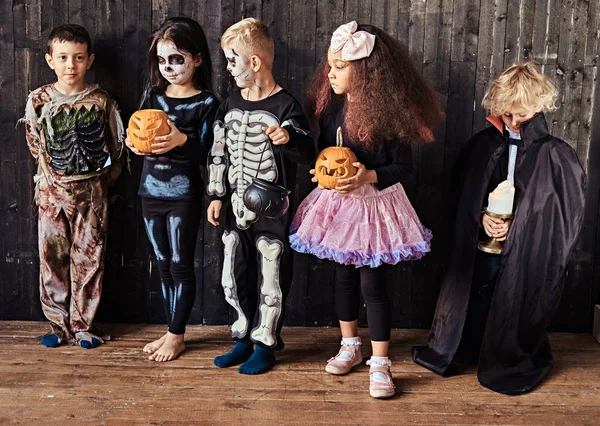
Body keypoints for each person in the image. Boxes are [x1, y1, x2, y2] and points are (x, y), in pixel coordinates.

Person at [412, 62, 586, 395]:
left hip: (524, 253)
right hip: (485, 246)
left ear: (540, 107)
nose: (515, 123)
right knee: (478, 292)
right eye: (507, 115)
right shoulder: (484, 144)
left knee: (511, 300)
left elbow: (561, 217)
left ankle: (507, 355)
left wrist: (521, 227)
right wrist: (481, 217)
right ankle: (468, 349)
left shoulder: (555, 155)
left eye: (523, 115)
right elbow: (460, 196)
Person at [289, 21, 441, 398]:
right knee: (342, 277)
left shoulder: (387, 116)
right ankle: (350, 345)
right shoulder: (330, 111)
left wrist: (369, 174)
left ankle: (381, 363)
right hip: (339, 206)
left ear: (364, 71)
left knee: (372, 284)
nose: (330, 73)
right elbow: (326, 152)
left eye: (338, 67)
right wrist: (319, 168)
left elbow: (404, 168)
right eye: (330, 66)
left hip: (374, 207)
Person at [206, 18, 314, 375]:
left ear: (254, 62)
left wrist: (289, 138)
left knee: (271, 270)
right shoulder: (230, 102)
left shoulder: (286, 105)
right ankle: (242, 336)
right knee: (233, 271)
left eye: (232, 60)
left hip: (271, 207)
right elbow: (218, 149)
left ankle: (265, 343)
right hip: (234, 203)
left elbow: (306, 149)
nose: (228, 68)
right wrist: (216, 194)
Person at [22, 24, 125, 349]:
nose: (71, 65)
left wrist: (100, 184)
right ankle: (57, 325)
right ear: (50, 60)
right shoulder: (38, 100)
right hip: (52, 195)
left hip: (92, 197)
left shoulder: (101, 101)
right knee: (52, 258)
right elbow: (35, 145)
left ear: (89, 60)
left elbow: (117, 147)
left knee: (89, 260)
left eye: (78, 57)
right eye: (63, 57)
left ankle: (83, 326)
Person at [125, 17, 219, 362]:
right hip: (149, 191)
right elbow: (141, 133)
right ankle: (170, 331)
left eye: (176, 59)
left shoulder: (206, 103)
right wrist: (133, 145)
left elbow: (211, 152)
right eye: (163, 61)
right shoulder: (153, 96)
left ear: (196, 59)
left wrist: (182, 140)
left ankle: (176, 335)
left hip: (183, 194)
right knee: (162, 263)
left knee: (181, 264)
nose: (168, 68)